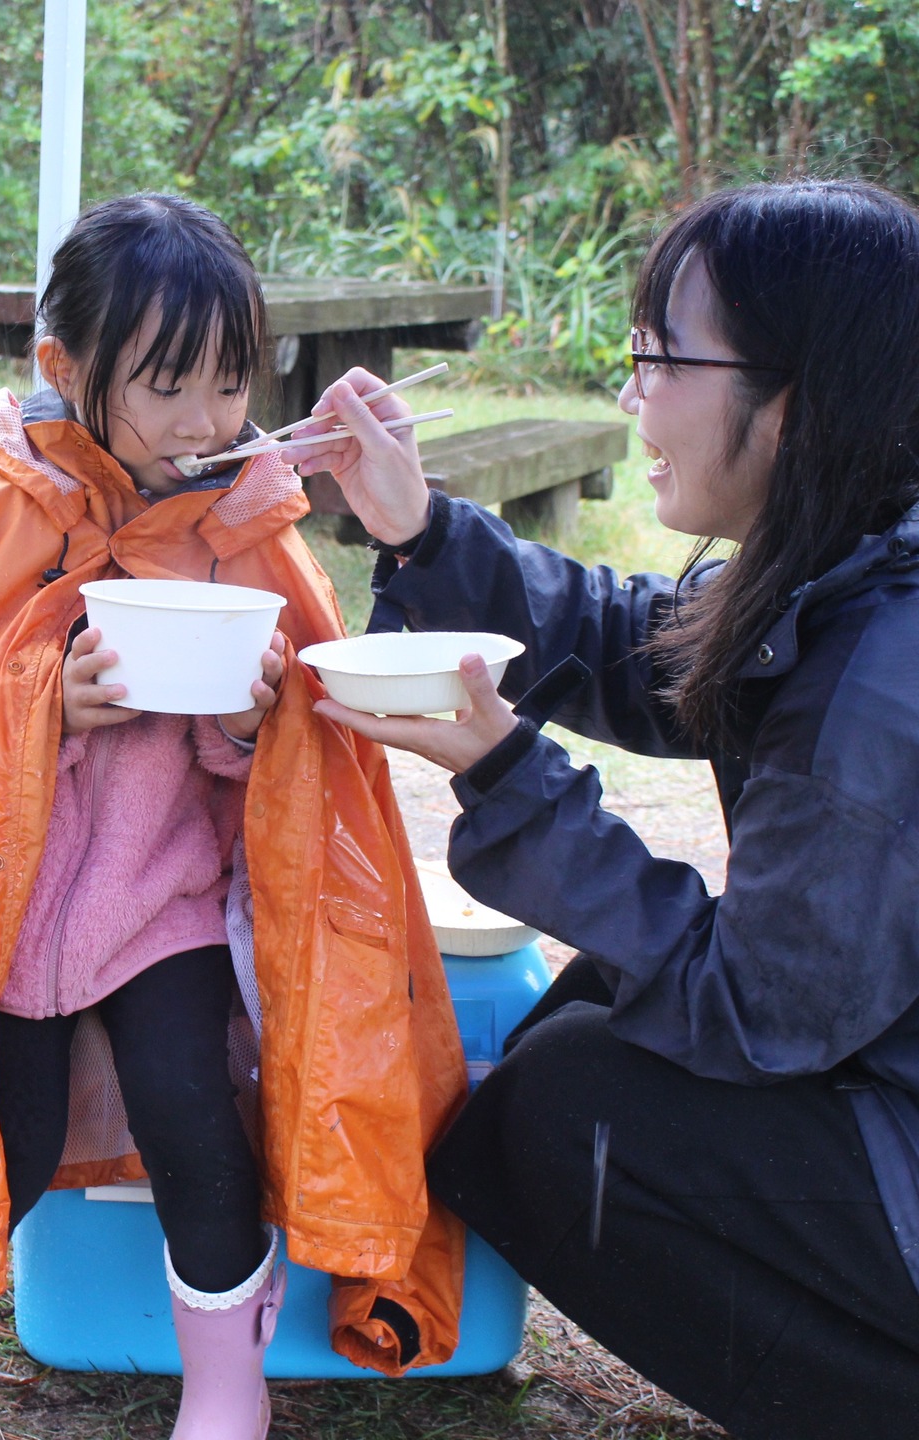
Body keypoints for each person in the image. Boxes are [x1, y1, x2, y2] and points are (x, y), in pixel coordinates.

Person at [0, 193, 470, 1440]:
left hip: (159, 909)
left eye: (232, 384)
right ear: (65, 370)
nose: (205, 422)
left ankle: (228, 1390)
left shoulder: (247, 530)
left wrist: (248, 727)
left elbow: (290, 788)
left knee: (197, 1124)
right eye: (167, 385)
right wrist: (44, 709)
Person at [284, 177, 919, 1440]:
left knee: (557, 1118)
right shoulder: (858, 567)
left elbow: (754, 1010)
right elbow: (656, 647)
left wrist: (509, 772)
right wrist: (420, 531)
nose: (633, 395)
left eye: (658, 358)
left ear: (789, 406)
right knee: (580, 1022)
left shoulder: (883, 688)